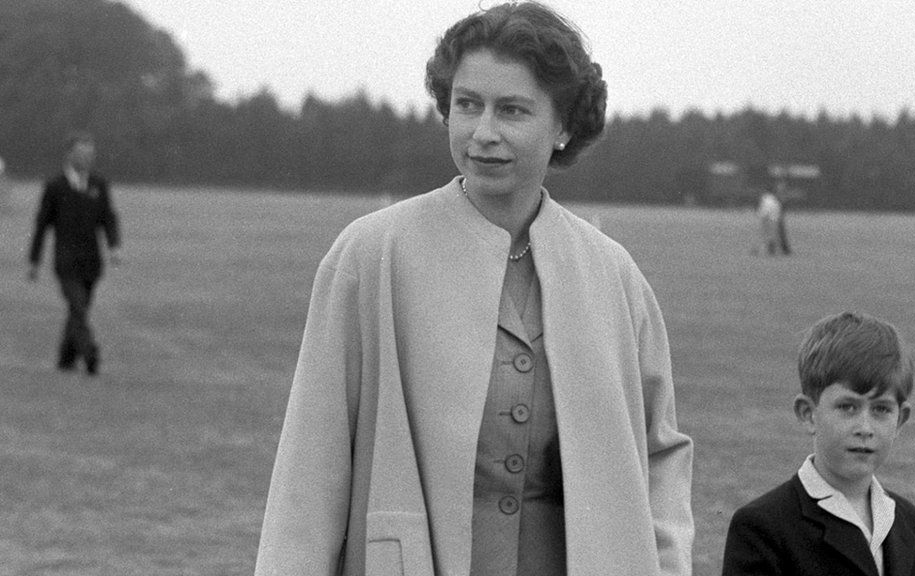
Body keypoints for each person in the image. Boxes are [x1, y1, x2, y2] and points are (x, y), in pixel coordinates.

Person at [254, 3, 694, 576]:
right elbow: (310, 468)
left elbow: (660, 459)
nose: (484, 133)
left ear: (563, 126)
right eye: (467, 105)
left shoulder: (614, 277)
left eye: (512, 110)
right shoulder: (370, 256)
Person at [722, 311, 915, 576]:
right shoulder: (763, 526)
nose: (865, 428)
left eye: (881, 410)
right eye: (847, 407)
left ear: (901, 419)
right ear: (808, 413)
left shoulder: (908, 521)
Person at [28, 132, 121, 375]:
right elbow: (42, 225)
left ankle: (66, 358)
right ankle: (90, 353)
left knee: (78, 309)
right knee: (78, 307)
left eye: (90, 154)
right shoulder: (55, 187)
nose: (87, 159)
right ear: (69, 155)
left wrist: (114, 247)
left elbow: (108, 219)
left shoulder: (99, 185)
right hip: (66, 261)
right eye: (81, 154)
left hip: (92, 262)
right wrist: (34, 261)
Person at [756, 187, 790, 256]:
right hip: (776, 212)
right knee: (774, 232)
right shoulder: (773, 198)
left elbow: (763, 211)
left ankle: (765, 249)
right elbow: (777, 208)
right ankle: (775, 248)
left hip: (768, 213)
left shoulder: (764, 198)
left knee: (765, 233)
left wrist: (761, 218)